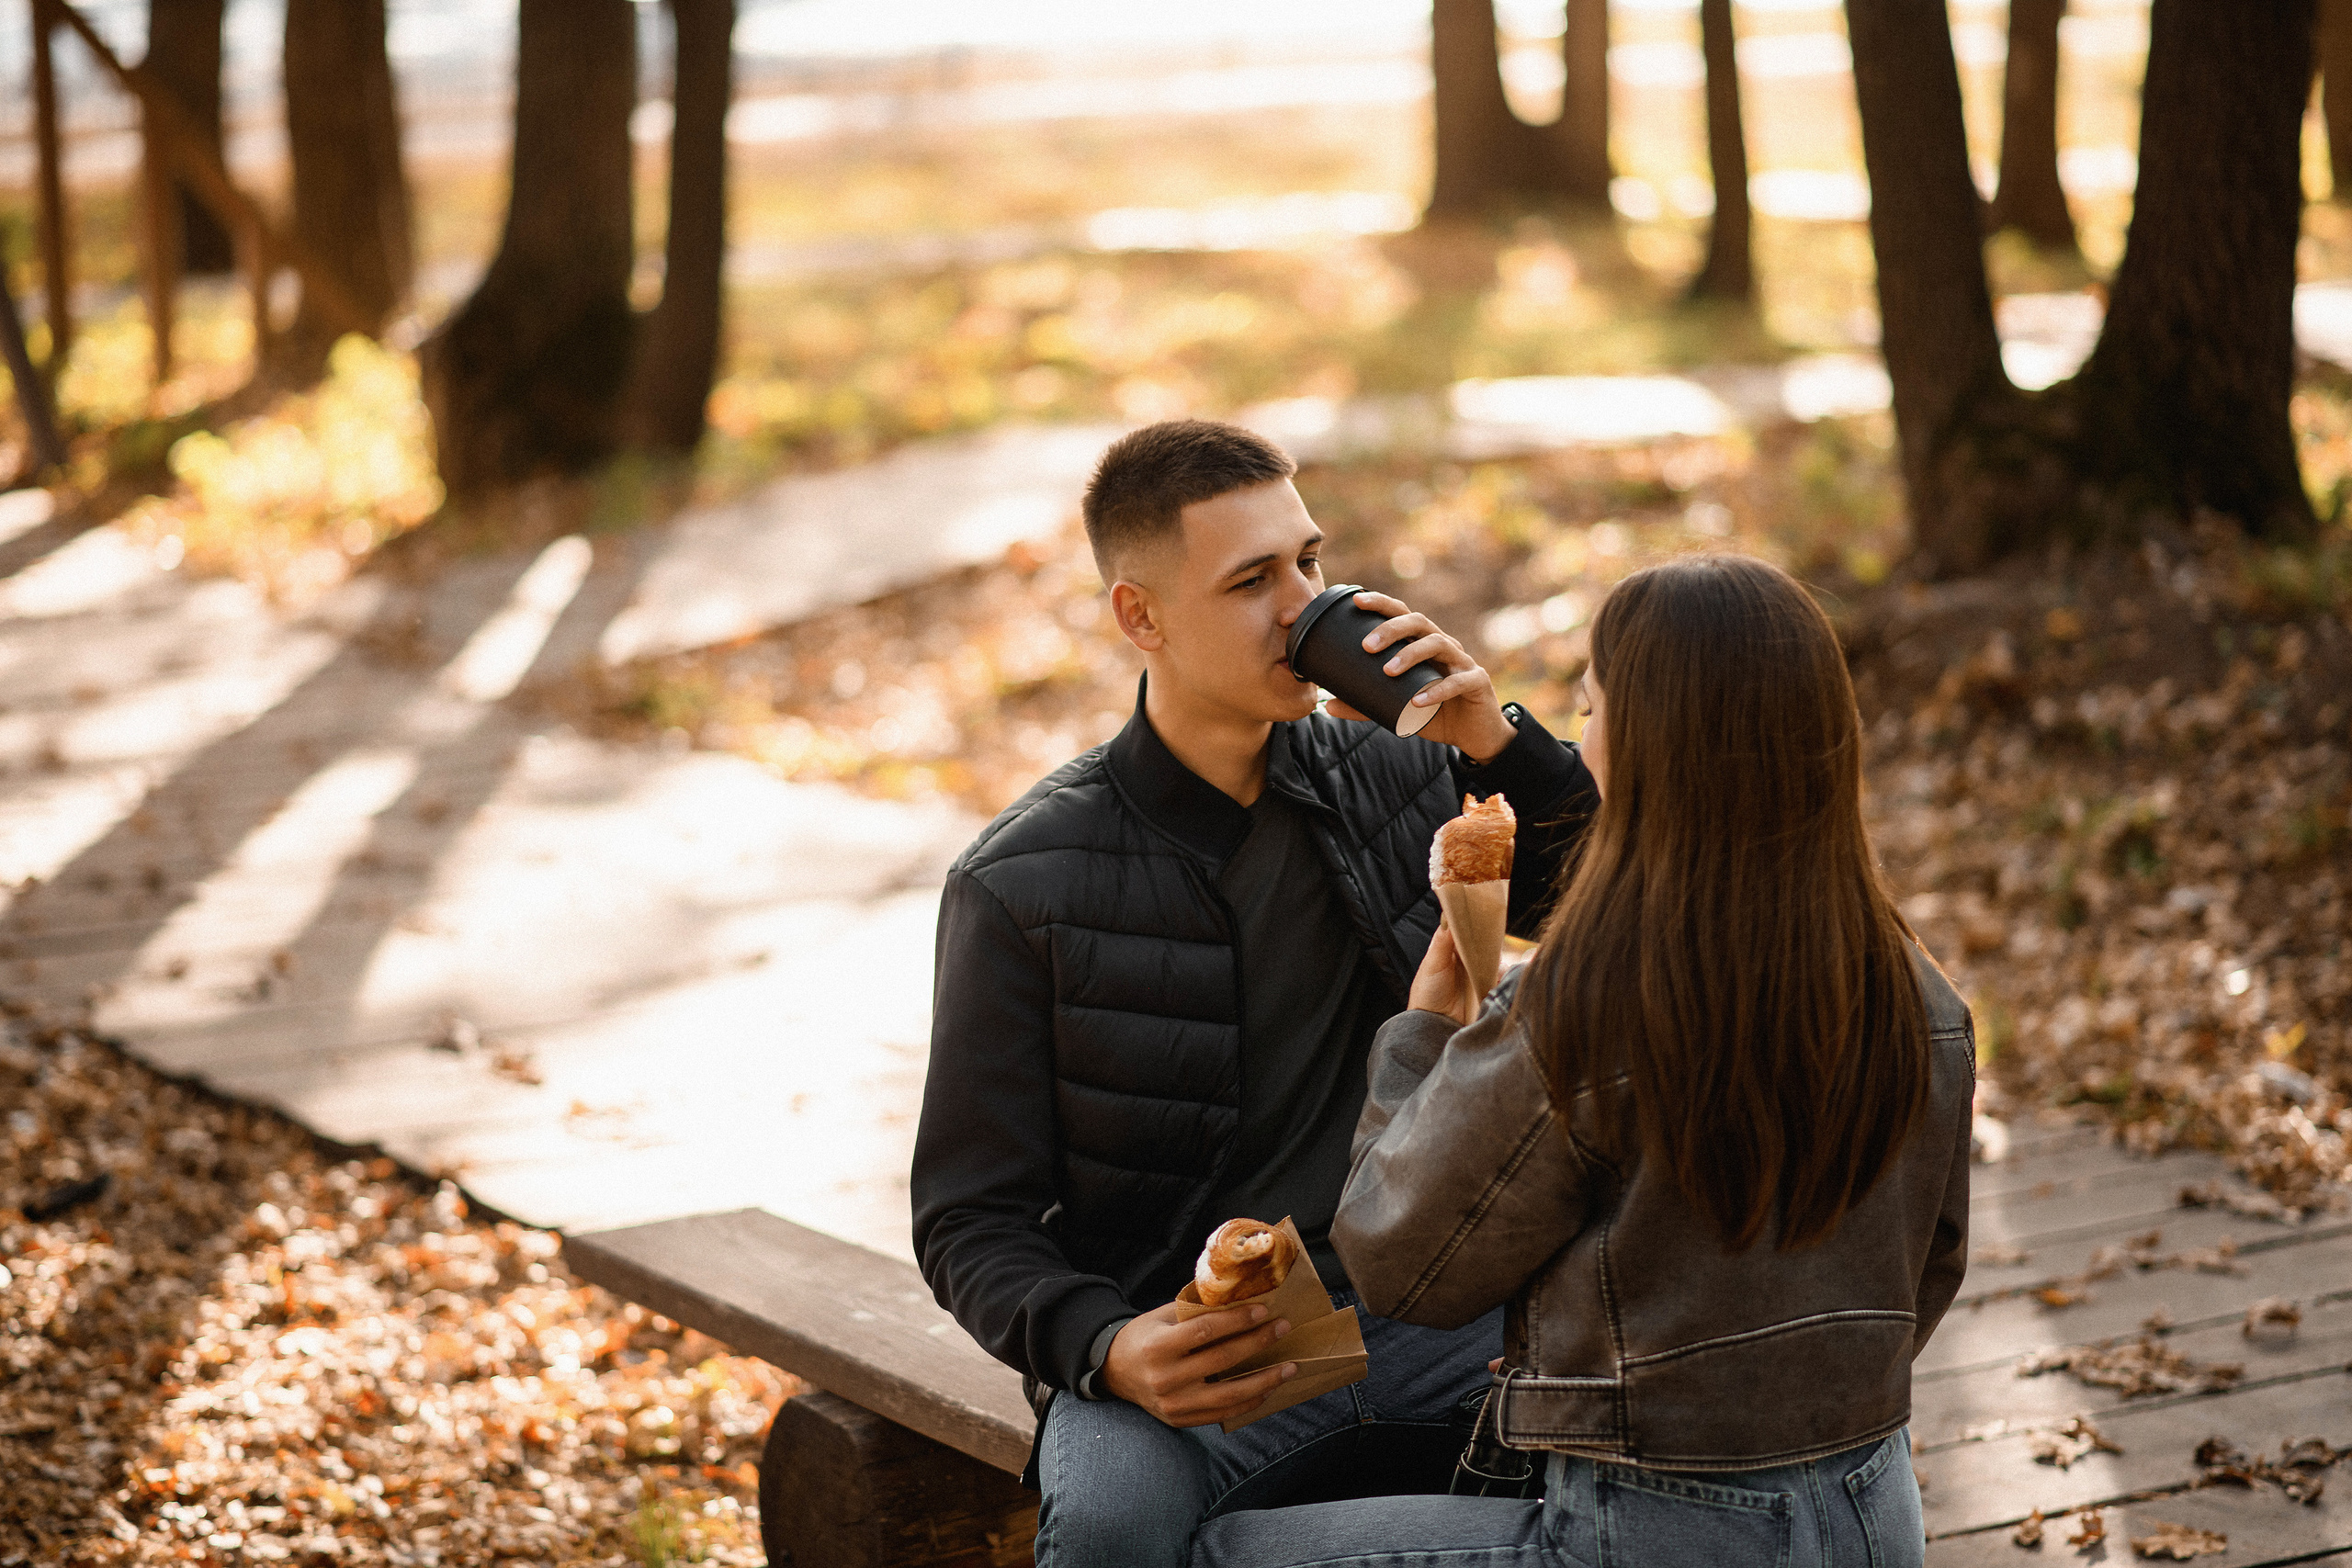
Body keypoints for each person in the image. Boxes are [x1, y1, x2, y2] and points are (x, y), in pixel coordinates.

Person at [910, 420, 1600, 1568]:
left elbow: (1611, 906)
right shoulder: (1022, 884)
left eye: (1309, 562)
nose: (1302, 607)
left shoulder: (1401, 769)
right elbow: (967, 1217)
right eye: (1250, 581)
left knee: (1649, 1467)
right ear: (1141, 617)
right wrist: (1109, 1346)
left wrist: (1496, 739)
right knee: (1110, 1533)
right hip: (1207, 1350)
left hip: (1439, 1305)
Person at [1193, 554, 1976, 1568]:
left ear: (1646, 748)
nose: (1583, 739)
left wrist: (1422, 1034)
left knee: (1219, 1553)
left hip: (1647, 1532)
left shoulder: (1582, 1008)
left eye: (1591, 710)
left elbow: (1394, 1260)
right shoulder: (1915, 988)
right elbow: (1934, 1261)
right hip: (1873, 1511)